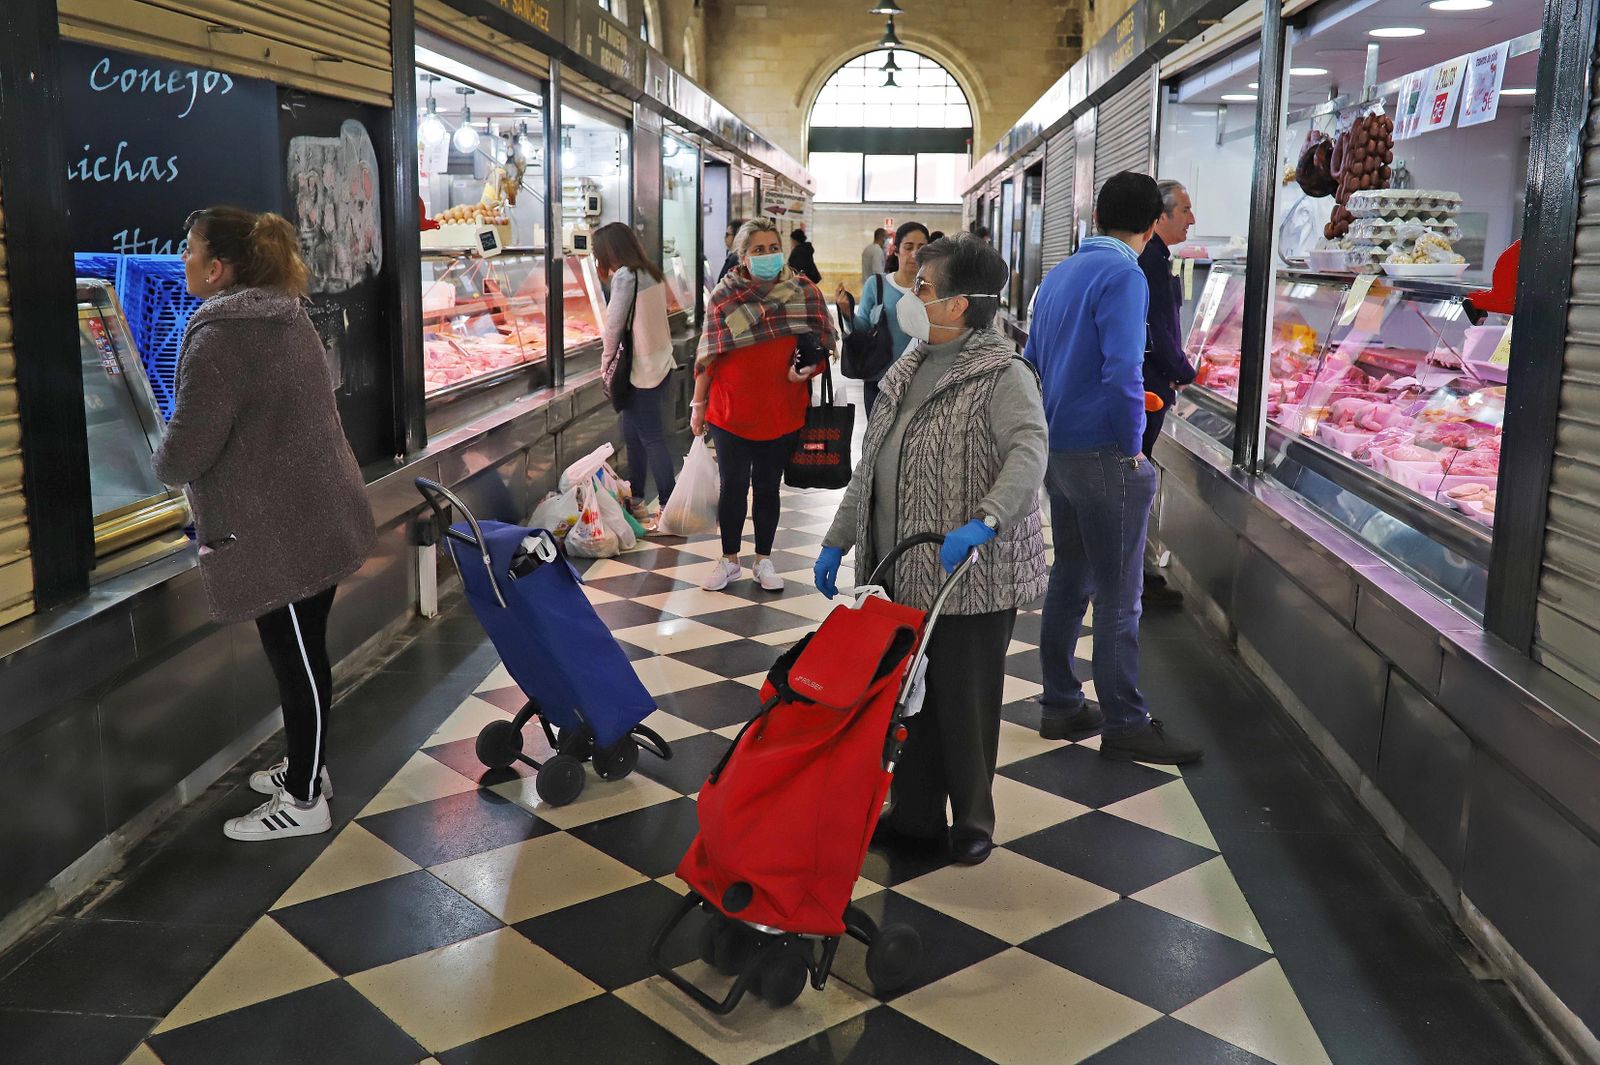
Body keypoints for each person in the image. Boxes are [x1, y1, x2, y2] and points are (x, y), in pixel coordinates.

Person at [815, 233, 1048, 867]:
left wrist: (987, 520)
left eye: (922, 285)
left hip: (968, 575)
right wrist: (838, 540)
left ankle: (972, 820)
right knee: (903, 696)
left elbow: (1029, 453)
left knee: (964, 702)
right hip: (899, 571)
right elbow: (871, 464)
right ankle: (914, 815)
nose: (911, 294)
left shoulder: (1004, 374)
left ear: (958, 304)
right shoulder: (909, 364)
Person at [153, 206, 376, 841]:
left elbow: (187, 450)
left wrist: (157, 461)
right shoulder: (287, 314)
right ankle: (309, 766)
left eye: (191, 249)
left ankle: (304, 800)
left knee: (297, 662)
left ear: (218, 268)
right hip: (317, 512)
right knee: (305, 653)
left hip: (282, 530)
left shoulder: (220, 338)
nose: (184, 259)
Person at [1023, 172, 1202, 764]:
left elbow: (1031, 361)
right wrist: (1131, 447)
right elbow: (1124, 369)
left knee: (1070, 576)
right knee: (1120, 596)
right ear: (1152, 225)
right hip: (1105, 452)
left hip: (1059, 449)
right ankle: (1125, 721)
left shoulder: (1061, 273)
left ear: (1097, 216)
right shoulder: (1125, 274)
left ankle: (1060, 703)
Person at [692, 219, 834, 593]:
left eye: (773, 248)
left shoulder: (804, 292)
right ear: (743, 256)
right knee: (733, 485)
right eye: (759, 250)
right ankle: (729, 560)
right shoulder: (724, 296)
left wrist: (808, 370)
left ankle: (763, 560)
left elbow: (821, 346)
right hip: (730, 411)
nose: (768, 255)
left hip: (782, 410)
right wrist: (697, 404)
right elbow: (708, 355)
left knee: (768, 486)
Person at [594, 221, 679, 525]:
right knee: (633, 436)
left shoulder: (625, 277)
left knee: (651, 439)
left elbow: (614, 325)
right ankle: (637, 499)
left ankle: (669, 506)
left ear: (609, 252)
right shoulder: (650, 271)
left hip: (641, 371)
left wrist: (605, 362)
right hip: (660, 363)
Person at [1139, 180, 1198, 608]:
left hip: (1155, 385)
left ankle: (1139, 573)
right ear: (1161, 216)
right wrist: (1183, 370)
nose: (1192, 219)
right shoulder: (1151, 262)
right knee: (1137, 482)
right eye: (1186, 210)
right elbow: (1157, 331)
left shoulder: (1158, 258)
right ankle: (1138, 578)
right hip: (1150, 390)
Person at [835, 221, 929, 417]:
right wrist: (847, 313)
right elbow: (863, 327)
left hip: (921, 384)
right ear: (896, 250)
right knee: (878, 435)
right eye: (908, 247)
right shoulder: (877, 285)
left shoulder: (934, 289)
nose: (915, 254)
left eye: (921, 248)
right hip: (879, 381)